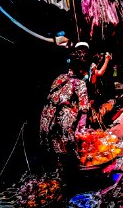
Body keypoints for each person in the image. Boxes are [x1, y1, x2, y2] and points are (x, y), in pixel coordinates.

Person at [39, 48, 91, 178]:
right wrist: (81, 134)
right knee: (71, 170)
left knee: (55, 169)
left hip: (45, 130)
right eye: (87, 68)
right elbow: (84, 111)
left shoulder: (58, 79)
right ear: (81, 68)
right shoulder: (80, 84)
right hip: (63, 133)